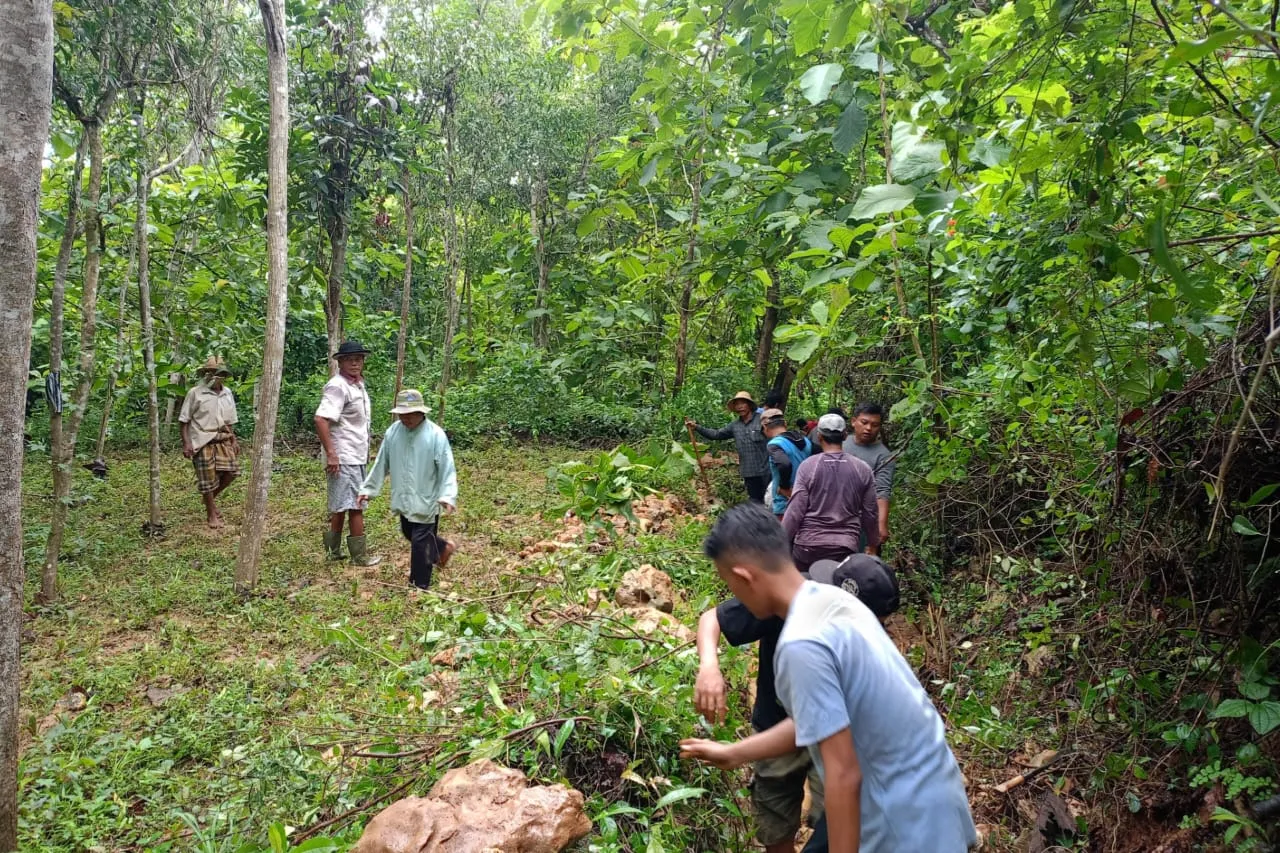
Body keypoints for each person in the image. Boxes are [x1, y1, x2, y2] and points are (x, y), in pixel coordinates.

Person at [681, 504, 977, 853]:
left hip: (900, 826)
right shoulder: (837, 603)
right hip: (939, 803)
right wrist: (736, 753)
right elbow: (821, 716)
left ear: (744, 577)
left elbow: (843, 775)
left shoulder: (802, 643)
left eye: (728, 582)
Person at [693, 553, 900, 853]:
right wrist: (709, 667)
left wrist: (736, 752)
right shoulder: (787, 597)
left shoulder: (870, 649)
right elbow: (713, 618)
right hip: (775, 722)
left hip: (832, 739)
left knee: (839, 823)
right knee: (775, 827)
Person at [358, 389, 458, 590]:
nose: (406, 418)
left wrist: (447, 495)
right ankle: (441, 548)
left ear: (421, 412)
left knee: (420, 542)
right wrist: (368, 488)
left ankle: (419, 585)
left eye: (411, 414)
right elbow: (381, 462)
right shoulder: (393, 432)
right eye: (403, 414)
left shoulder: (435, 435)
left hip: (426, 497)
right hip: (403, 496)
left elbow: (447, 466)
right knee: (407, 531)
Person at [783, 413, 879, 572]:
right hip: (844, 547)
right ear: (845, 435)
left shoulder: (808, 466)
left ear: (819, 436)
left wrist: (782, 543)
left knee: (807, 592)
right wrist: (873, 544)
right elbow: (870, 512)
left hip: (807, 546)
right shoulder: (862, 469)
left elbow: (795, 511)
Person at [315, 339, 381, 566]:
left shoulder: (357, 385)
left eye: (359, 358)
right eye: (350, 359)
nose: (355, 363)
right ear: (340, 361)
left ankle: (332, 551)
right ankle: (359, 556)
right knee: (355, 504)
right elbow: (321, 419)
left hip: (354, 453)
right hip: (344, 455)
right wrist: (332, 453)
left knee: (342, 504)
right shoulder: (338, 386)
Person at [179, 357, 239, 529]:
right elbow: (184, 420)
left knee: (231, 473)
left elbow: (229, 420)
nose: (213, 376)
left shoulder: (227, 393)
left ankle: (209, 500)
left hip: (222, 437)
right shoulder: (195, 393)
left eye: (217, 373)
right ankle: (211, 514)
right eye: (210, 373)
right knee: (207, 478)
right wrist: (187, 443)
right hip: (202, 439)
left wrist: (233, 439)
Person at [686, 391, 769, 503]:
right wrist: (696, 427)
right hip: (749, 472)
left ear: (749, 405)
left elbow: (775, 437)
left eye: (743, 403)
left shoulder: (762, 420)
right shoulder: (735, 426)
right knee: (756, 503)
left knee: (770, 501)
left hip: (766, 471)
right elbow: (716, 434)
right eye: (737, 404)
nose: (740, 407)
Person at [843, 402, 896, 553]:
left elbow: (882, 490)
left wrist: (881, 524)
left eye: (874, 425)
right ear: (854, 422)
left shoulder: (884, 455)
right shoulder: (841, 444)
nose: (868, 428)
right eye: (864, 422)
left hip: (863, 520)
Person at [762, 408, 811, 519]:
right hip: (805, 500)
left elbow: (784, 464)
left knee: (784, 535)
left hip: (784, 504)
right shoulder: (805, 441)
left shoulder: (774, 444)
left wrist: (784, 487)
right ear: (785, 423)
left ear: (764, 427)